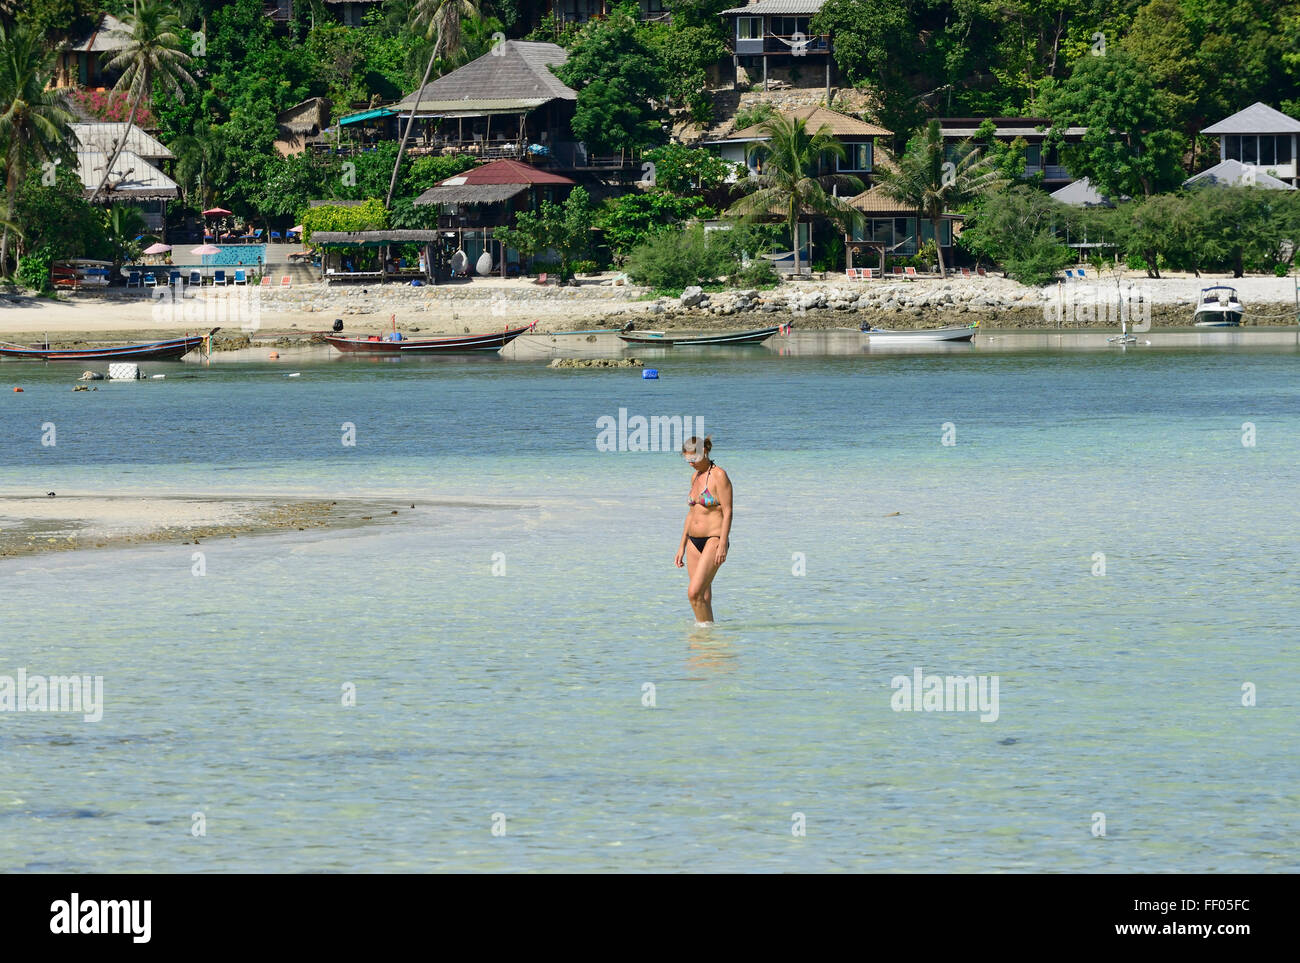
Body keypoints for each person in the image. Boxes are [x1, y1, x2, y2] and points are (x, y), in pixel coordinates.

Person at [674, 436, 732, 625]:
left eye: (694, 459)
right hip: (693, 541)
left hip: (713, 539)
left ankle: (704, 633)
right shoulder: (695, 476)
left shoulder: (719, 476)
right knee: (703, 597)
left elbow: (728, 511)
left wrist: (723, 543)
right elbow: (691, 513)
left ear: (704, 452)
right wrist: (681, 546)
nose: (691, 464)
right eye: (687, 460)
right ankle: (709, 644)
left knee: (694, 593)